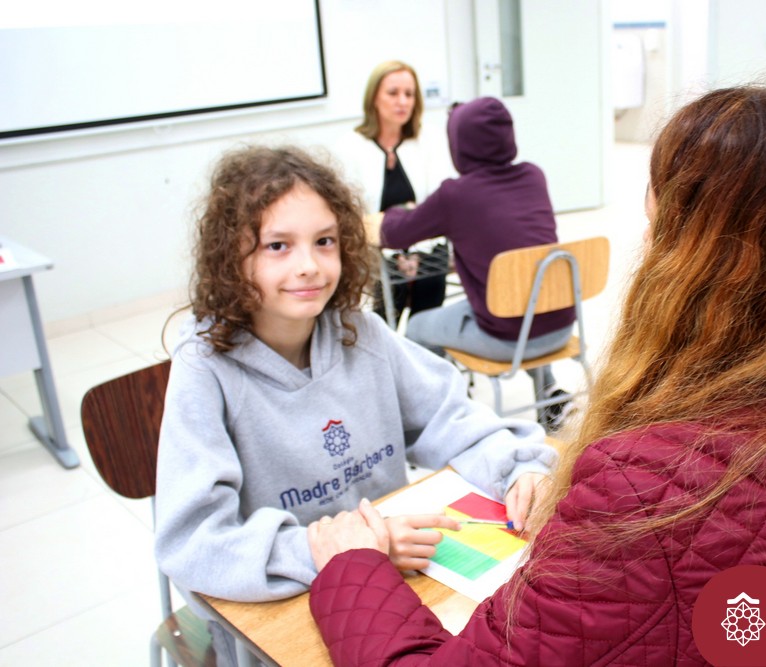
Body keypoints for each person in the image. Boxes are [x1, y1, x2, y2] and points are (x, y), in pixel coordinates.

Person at [305, 81, 766, 665]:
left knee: (424, 326)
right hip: (553, 322)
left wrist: (350, 565)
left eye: (658, 222)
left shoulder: (646, 486)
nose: (647, 239)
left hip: (497, 332)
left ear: (702, 259)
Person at [153, 145, 554, 665]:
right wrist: (345, 551)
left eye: (324, 241)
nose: (309, 266)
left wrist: (519, 471)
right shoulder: (205, 370)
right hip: (278, 616)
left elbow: (451, 416)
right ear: (232, 258)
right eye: (277, 246)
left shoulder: (360, 333)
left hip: (391, 589)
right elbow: (195, 543)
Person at [376, 96, 576, 430]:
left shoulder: (456, 195)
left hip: (507, 340)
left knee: (417, 327)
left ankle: (441, 416)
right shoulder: (533, 176)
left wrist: (396, 211)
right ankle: (549, 396)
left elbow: (393, 234)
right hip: (562, 326)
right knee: (527, 296)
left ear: (458, 144)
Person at [338, 60, 451, 328]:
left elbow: (440, 201)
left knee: (426, 316)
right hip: (375, 249)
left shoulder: (430, 138)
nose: (403, 101)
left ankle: (422, 345)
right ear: (374, 98)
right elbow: (352, 215)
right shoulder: (350, 146)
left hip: (428, 244)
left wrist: (415, 252)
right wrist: (397, 253)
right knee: (382, 318)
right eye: (393, 93)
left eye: (409, 94)